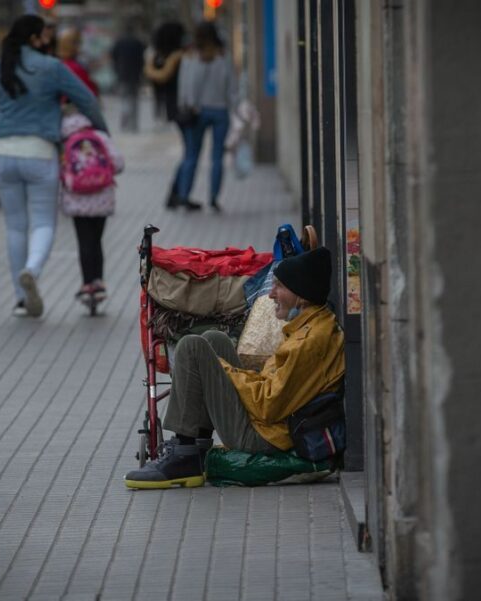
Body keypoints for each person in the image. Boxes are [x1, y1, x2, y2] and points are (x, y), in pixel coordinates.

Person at [124, 247, 345, 489]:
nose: (270, 294)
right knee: (213, 339)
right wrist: (227, 372)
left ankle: (184, 453)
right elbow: (274, 391)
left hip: (265, 438)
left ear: (301, 295)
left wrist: (221, 371)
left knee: (191, 347)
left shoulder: (309, 343)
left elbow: (268, 406)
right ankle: (196, 445)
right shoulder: (315, 324)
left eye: (279, 286)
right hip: (272, 424)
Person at [0, 15, 107, 318]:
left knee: (15, 226)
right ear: (33, 38)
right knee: (43, 222)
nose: (47, 40)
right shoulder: (52, 68)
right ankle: (32, 269)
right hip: (39, 152)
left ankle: (19, 299)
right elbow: (87, 100)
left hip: (1, 153)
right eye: (44, 35)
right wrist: (101, 133)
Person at [58, 111, 124, 306]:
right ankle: (99, 282)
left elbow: (60, 171)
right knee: (97, 240)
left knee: (84, 241)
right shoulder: (100, 136)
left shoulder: (64, 141)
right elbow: (119, 164)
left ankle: (87, 284)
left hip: (77, 200)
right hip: (102, 199)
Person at [175, 22, 237, 213]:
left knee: (192, 155)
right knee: (217, 157)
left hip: (197, 111)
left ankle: (184, 197)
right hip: (220, 111)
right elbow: (231, 87)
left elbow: (186, 85)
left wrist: (187, 104)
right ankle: (214, 198)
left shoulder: (191, 56)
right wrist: (234, 108)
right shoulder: (223, 56)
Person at [144, 21, 200, 211]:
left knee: (188, 153)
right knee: (191, 154)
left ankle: (176, 194)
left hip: (173, 110)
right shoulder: (179, 57)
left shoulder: (157, 58)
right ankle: (181, 195)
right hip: (186, 109)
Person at [110, 23, 145, 132]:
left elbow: (113, 57)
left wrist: (116, 69)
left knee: (124, 99)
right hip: (135, 75)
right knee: (134, 100)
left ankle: (124, 123)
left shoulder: (119, 42)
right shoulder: (138, 42)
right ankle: (134, 124)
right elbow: (142, 59)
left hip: (122, 74)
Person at [56, 27, 99, 98]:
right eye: (78, 43)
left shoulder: (61, 64)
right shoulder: (73, 67)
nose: (81, 46)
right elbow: (88, 93)